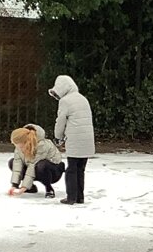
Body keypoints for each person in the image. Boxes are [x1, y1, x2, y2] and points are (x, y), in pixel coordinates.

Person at [48, 75, 95, 205]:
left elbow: (60, 121)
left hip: (75, 139)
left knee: (71, 169)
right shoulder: (83, 99)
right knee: (80, 169)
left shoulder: (65, 101)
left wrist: (58, 137)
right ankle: (80, 197)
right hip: (87, 138)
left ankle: (71, 197)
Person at [8, 124, 64, 198]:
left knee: (41, 165)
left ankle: (49, 189)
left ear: (26, 142)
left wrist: (23, 187)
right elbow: (17, 164)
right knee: (12, 162)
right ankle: (31, 187)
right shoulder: (19, 146)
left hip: (53, 171)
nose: (18, 148)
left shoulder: (42, 145)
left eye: (20, 146)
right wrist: (14, 185)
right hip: (35, 169)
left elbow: (32, 165)